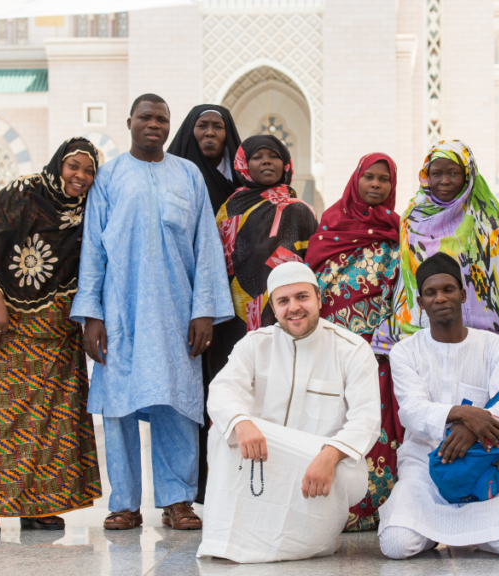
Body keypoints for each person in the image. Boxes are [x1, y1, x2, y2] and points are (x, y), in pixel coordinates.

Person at [70, 94, 233, 532]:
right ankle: (123, 503)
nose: (154, 124)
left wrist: (204, 311)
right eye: (146, 117)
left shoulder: (188, 175)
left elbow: (205, 247)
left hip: (177, 310)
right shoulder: (110, 176)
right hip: (120, 310)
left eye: (162, 118)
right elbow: (93, 248)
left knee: (178, 403)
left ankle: (178, 499)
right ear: (129, 123)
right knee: (118, 405)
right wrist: (92, 314)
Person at [198, 262, 380, 563]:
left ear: (319, 298)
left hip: (322, 467)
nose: (294, 308)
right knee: (223, 431)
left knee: (347, 473)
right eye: (283, 301)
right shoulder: (256, 345)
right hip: (265, 463)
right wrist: (241, 422)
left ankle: (308, 538)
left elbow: (367, 419)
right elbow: (223, 390)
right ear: (274, 307)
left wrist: (331, 453)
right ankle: (231, 540)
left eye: (302, 297)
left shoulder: (351, 349)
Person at [0, 138, 104, 534]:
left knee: (53, 419)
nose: (80, 176)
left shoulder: (88, 208)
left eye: (88, 170)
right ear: (57, 164)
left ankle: (37, 506)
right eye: (73, 167)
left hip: (59, 328)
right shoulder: (23, 192)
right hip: (10, 324)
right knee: (3, 416)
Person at [378, 252, 499, 560]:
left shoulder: (492, 346)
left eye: (448, 289)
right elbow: (411, 410)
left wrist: (474, 431)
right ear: (420, 302)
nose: (440, 298)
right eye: (430, 292)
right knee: (396, 545)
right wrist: (462, 413)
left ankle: (460, 534)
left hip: (482, 462)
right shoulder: (405, 352)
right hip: (423, 464)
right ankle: (446, 532)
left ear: (463, 295)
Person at [371, 140, 499, 380]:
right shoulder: (413, 219)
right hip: (424, 332)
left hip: (483, 338)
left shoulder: (488, 219)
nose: (444, 181)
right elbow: (408, 280)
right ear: (426, 176)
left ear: (467, 175)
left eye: (453, 173)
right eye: (436, 173)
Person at [306, 152, 403, 531]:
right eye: (370, 178)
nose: (377, 185)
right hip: (331, 349)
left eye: (385, 180)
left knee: (376, 426)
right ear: (356, 180)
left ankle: (375, 507)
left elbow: (405, 294)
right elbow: (313, 279)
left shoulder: (399, 231)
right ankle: (329, 505)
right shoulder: (331, 223)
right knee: (331, 420)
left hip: (378, 351)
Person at [167, 104, 243, 504]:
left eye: (218, 126)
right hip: (181, 298)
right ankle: (191, 486)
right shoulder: (174, 176)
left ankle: (231, 482)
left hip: (232, 306)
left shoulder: (241, 185)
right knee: (188, 392)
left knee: (226, 387)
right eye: (202, 126)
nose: (210, 133)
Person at [216, 134, 318, 338]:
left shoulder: (299, 210)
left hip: (287, 314)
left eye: (274, 156)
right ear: (243, 164)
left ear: (285, 164)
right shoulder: (227, 210)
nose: (266, 161)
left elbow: (313, 265)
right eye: (257, 156)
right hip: (231, 317)